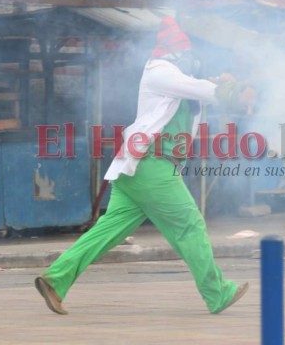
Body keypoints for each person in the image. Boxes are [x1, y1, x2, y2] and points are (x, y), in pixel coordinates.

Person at [35, 16, 256, 315]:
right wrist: (233, 89)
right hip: (152, 165)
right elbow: (198, 89)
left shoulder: (173, 77)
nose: (193, 60)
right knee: (190, 226)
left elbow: (197, 89)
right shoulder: (160, 71)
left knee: (105, 234)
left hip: (137, 169)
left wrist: (223, 84)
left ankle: (55, 279)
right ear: (175, 54)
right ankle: (216, 293)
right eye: (188, 55)